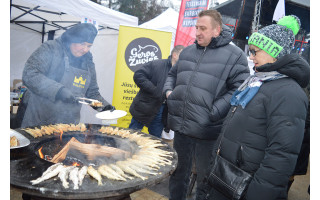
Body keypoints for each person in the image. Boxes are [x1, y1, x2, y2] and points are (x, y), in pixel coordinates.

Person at [197, 15, 310, 200]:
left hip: (246, 187)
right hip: (226, 178)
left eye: (255, 51)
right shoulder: (258, 80)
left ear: (275, 53)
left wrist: (258, 195)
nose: (251, 56)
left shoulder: (289, 93)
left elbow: (281, 155)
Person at [162, 9, 249, 200]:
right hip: (182, 127)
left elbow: (239, 89)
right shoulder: (188, 51)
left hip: (208, 131)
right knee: (178, 173)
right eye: (196, 28)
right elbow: (172, 75)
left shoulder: (235, 56)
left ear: (216, 30)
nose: (197, 32)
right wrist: (169, 92)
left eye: (203, 28)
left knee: (205, 179)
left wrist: (213, 111)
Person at [21, 23, 115, 128]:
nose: (85, 49)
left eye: (89, 46)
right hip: (40, 121)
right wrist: (58, 91)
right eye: (82, 44)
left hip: (68, 125)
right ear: (71, 40)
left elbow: (92, 92)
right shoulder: (51, 48)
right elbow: (29, 74)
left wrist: (104, 106)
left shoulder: (87, 60)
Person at [129, 45, 185, 138]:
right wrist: (155, 91)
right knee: (132, 136)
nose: (185, 59)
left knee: (155, 141)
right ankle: (127, 152)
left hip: (162, 111)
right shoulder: (156, 64)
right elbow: (138, 75)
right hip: (144, 107)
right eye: (182, 56)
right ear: (175, 55)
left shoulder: (181, 72)